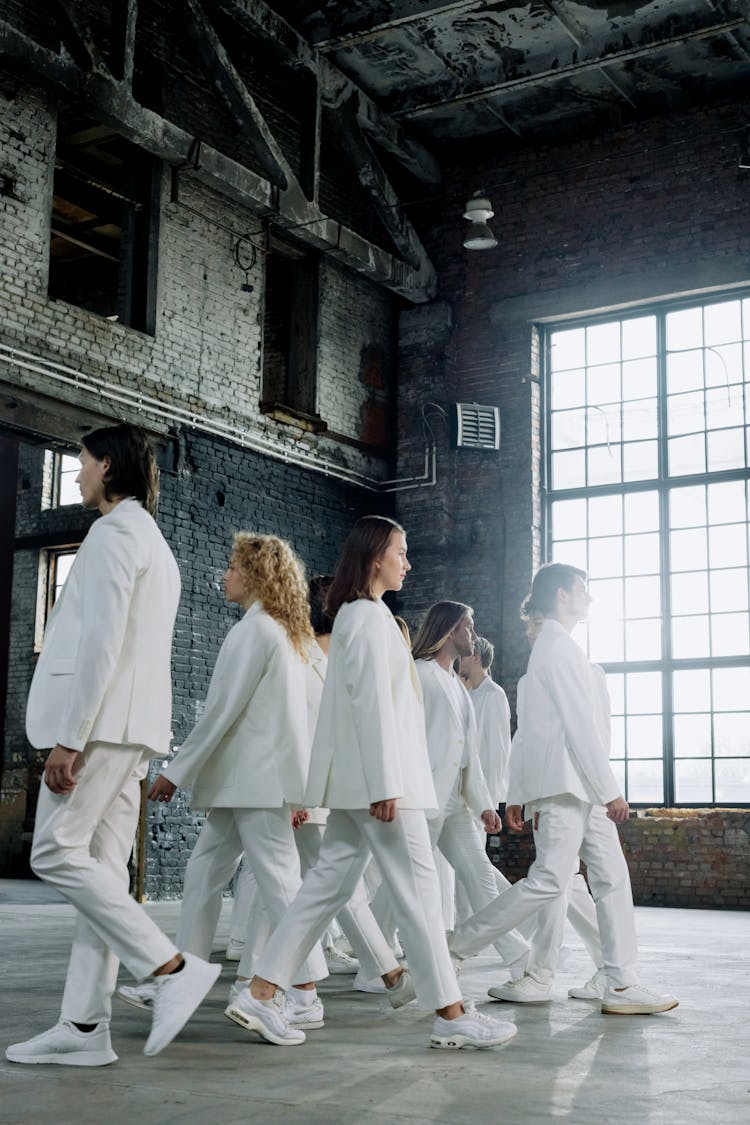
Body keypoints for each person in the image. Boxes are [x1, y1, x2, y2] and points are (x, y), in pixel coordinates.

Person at [236, 515, 517, 1050]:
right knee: (420, 894)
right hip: (386, 785)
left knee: (325, 889)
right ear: (373, 559)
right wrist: (385, 782)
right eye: (400, 552)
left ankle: (259, 989)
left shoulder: (366, 617)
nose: (407, 562)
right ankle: (452, 1014)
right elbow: (368, 707)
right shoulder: (366, 618)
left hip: (367, 784)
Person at [6, 424, 221, 1068]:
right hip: (135, 729)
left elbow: (100, 643)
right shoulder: (154, 541)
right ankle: (83, 1025)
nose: (77, 475)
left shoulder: (110, 534)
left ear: (107, 466)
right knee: (102, 871)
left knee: (54, 850)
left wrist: (70, 739)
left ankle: (168, 965)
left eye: (82, 463)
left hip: (100, 729)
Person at [449, 563, 679, 1016]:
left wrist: (521, 793)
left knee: (607, 877)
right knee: (551, 881)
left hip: (577, 789)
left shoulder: (559, 651)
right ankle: (457, 947)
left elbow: (535, 733)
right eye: (582, 590)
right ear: (560, 596)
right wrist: (607, 789)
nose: (588, 598)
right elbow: (574, 727)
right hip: (573, 788)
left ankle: (620, 981)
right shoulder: (558, 649)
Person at [146, 534, 328, 1040]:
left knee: (280, 884)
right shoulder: (277, 633)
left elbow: (221, 713)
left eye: (231, 567)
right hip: (245, 781)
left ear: (256, 575)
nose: (223, 575)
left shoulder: (256, 633)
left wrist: (174, 770)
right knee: (205, 873)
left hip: (254, 780)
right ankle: (180, 979)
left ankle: (307, 991)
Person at [487, 611, 604, 1004]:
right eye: (526, 625)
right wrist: (521, 795)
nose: (529, 632)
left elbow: (593, 736)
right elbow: (527, 743)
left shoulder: (589, 672)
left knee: (553, 882)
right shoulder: (530, 679)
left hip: (575, 793)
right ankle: (606, 967)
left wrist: (603, 793)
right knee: (565, 883)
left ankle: (539, 975)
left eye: (534, 622)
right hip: (555, 793)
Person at [410, 602, 529, 975]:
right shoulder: (417, 674)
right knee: (404, 882)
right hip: (423, 798)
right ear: (449, 631)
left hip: (455, 803)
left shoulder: (459, 688)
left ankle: (517, 954)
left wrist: (483, 804)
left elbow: (470, 753)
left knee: (479, 876)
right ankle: (375, 965)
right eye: (468, 628)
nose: (473, 636)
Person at [459, 636, 512, 810]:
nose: (459, 660)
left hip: (483, 794)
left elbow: (499, 750)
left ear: (476, 658)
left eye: (464, 656)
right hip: (466, 789)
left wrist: (490, 803)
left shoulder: (494, 694)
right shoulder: (469, 694)